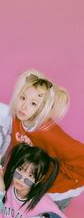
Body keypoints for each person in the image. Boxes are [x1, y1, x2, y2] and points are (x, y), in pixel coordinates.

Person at [9, 69, 84, 208]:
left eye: (33, 104)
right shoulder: (17, 118)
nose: (24, 106)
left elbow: (80, 154)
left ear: (42, 108)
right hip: (33, 179)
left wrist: (58, 174)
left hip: (58, 186)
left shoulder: (48, 132)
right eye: (23, 98)